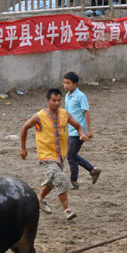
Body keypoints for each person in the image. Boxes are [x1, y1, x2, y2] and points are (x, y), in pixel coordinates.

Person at [19, 87, 86, 221]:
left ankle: (39, 199)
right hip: (46, 155)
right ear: (48, 101)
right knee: (59, 178)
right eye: (54, 101)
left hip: (60, 156)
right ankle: (67, 210)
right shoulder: (39, 116)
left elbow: (78, 126)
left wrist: (82, 134)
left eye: (59, 101)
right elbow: (25, 127)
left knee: (51, 181)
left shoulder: (64, 114)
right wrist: (23, 148)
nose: (56, 103)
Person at [62, 71, 102, 189]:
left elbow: (86, 112)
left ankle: (74, 181)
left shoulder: (80, 96)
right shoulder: (67, 96)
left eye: (68, 83)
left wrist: (88, 130)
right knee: (72, 155)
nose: (66, 85)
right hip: (70, 130)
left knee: (71, 156)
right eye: (64, 83)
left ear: (75, 84)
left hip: (78, 131)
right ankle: (92, 170)